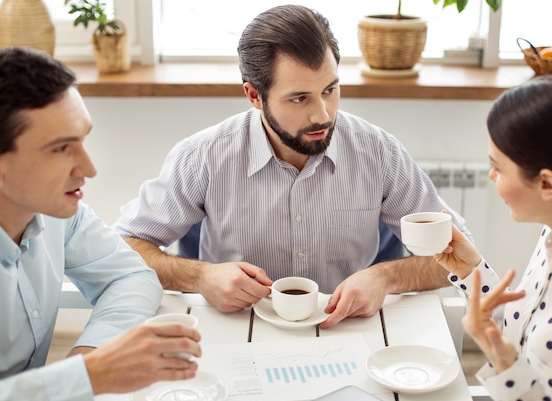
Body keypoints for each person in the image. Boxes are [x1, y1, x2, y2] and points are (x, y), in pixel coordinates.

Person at [114, 5, 472, 329]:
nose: (323, 114)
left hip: (348, 331)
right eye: (299, 98)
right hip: (237, 332)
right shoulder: (203, 157)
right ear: (254, 95)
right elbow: (125, 246)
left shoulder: (377, 153)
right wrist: (199, 277)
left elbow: (459, 253)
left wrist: (385, 278)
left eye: (330, 90)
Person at [0, 47, 202, 401]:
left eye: (82, 139)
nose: (89, 168)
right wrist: (87, 377)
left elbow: (133, 275)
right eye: (60, 149)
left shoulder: (57, 213)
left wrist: (89, 356)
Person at [434, 74, 552, 401]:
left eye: (497, 166)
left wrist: (502, 360)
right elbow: (527, 334)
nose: (491, 176)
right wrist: (470, 270)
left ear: (546, 183)